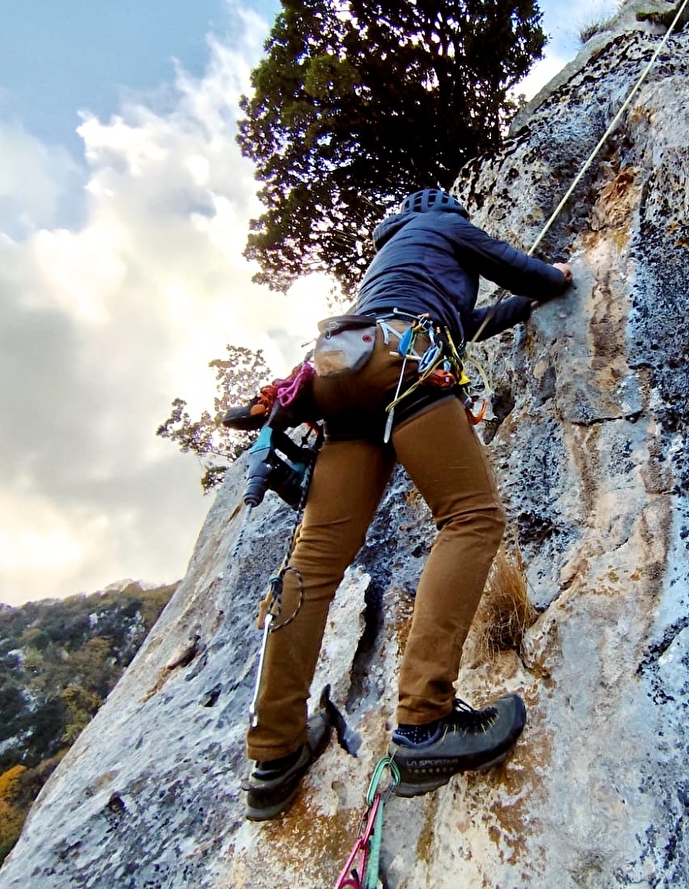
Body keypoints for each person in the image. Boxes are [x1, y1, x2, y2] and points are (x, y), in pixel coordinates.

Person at [244, 188, 573, 820]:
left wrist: (519, 307)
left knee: (313, 563)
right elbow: (520, 267)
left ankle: (273, 754)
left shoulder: (391, 254)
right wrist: (550, 280)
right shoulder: (446, 227)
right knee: (471, 518)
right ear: (447, 211)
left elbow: (464, 321)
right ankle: (424, 722)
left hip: (339, 373)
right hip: (404, 364)